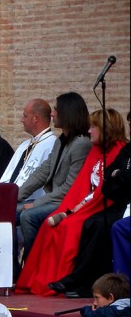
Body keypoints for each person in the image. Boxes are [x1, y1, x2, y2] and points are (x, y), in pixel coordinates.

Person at [16, 108, 127, 296]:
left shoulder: (117, 150)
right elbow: (80, 184)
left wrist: (75, 209)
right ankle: (38, 278)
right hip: (81, 202)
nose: (90, 131)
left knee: (69, 227)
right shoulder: (85, 148)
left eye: (94, 127)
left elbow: (102, 188)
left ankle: (69, 280)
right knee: (49, 225)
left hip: (101, 204)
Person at [49, 110, 131, 297]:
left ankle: (86, 281)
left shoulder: (121, 148)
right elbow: (107, 184)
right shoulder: (128, 150)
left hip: (124, 205)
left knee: (103, 225)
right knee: (92, 223)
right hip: (120, 203)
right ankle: (84, 282)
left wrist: (119, 176)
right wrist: (118, 177)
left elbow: (120, 178)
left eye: (93, 126)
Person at [16, 92, 92, 263]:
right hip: (54, 199)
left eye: (56, 110)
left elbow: (70, 188)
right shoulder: (61, 141)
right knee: (8, 211)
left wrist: (35, 204)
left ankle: (32, 265)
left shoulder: (81, 144)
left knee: (28, 216)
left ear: (68, 113)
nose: (52, 114)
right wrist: (15, 196)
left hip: (67, 202)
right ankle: (12, 269)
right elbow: (42, 172)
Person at [0, 99, 56, 186]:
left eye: (25, 116)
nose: (21, 120)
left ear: (35, 118)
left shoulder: (52, 145)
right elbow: (7, 175)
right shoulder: (24, 145)